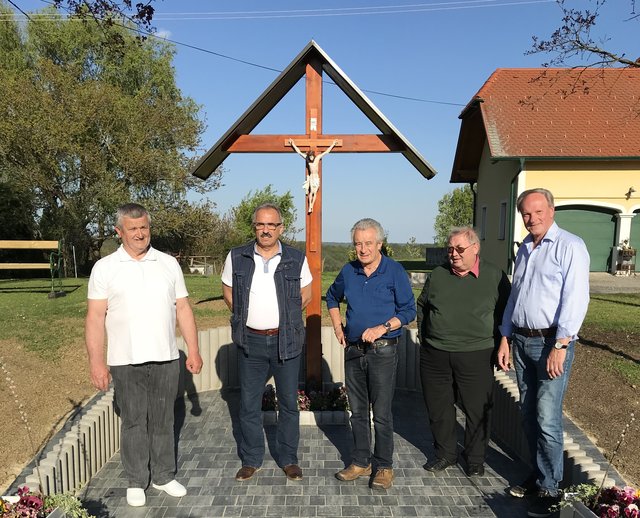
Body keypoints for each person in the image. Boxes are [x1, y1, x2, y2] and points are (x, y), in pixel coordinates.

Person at [85, 203, 203, 508]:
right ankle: (137, 480)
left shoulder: (167, 264)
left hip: (165, 357)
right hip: (125, 360)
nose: (140, 234)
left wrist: (194, 349)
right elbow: (95, 317)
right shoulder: (105, 268)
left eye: (144, 228)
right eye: (133, 229)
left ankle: (164, 475)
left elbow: (183, 308)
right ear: (119, 231)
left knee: (164, 419)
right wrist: (97, 362)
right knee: (134, 421)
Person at [496, 188, 590, 518]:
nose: (531, 218)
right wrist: (505, 337)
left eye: (537, 212)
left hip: (552, 343)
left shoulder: (570, 246)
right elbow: (516, 297)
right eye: (525, 213)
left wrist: (561, 345)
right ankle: (540, 475)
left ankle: (552, 489)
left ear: (551, 211)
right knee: (527, 414)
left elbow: (576, 300)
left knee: (547, 418)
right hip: (521, 342)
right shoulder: (524, 248)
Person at [221, 203, 312, 482]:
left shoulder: (296, 258)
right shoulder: (237, 256)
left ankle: (288, 459)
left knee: (287, 403)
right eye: (261, 224)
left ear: (281, 228)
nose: (266, 230)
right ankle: (251, 459)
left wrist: (282, 320)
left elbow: (305, 295)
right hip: (251, 341)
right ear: (255, 227)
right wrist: (249, 316)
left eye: (272, 225)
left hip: (285, 340)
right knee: (248, 404)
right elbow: (228, 292)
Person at [326, 218, 416, 490]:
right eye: (358, 244)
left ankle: (384, 466)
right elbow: (331, 298)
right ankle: (361, 461)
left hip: (383, 352)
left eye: (368, 243)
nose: (362, 249)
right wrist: (337, 327)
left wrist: (382, 327)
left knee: (383, 413)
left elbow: (409, 311)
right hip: (353, 350)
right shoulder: (349, 271)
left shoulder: (394, 271)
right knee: (358, 411)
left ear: (379, 243)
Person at [417, 227, 510, 477]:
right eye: (450, 249)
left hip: (477, 353)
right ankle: (445, 454)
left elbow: (506, 314)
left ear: (475, 248)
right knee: (439, 408)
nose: (454, 254)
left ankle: (475, 459)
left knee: (477, 409)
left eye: (459, 249)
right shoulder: (438, 275)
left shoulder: (495, 276)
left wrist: (504, 341)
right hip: (435, 353)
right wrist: (424, 337)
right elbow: (423, 305)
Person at [289, 138, 338, 214]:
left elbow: (326, 152)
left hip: (316, 177)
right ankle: (310, 206)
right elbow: (299, 152)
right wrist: (292, 144)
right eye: (310, 156)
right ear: (309, 156)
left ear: (314, 156)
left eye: (312, 156)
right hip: (311, 177)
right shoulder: (307, 159)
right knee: (311, 192)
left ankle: (311, 205)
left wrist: (333, 144)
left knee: (315, 192)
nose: (311, 158)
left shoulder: (317, 158)